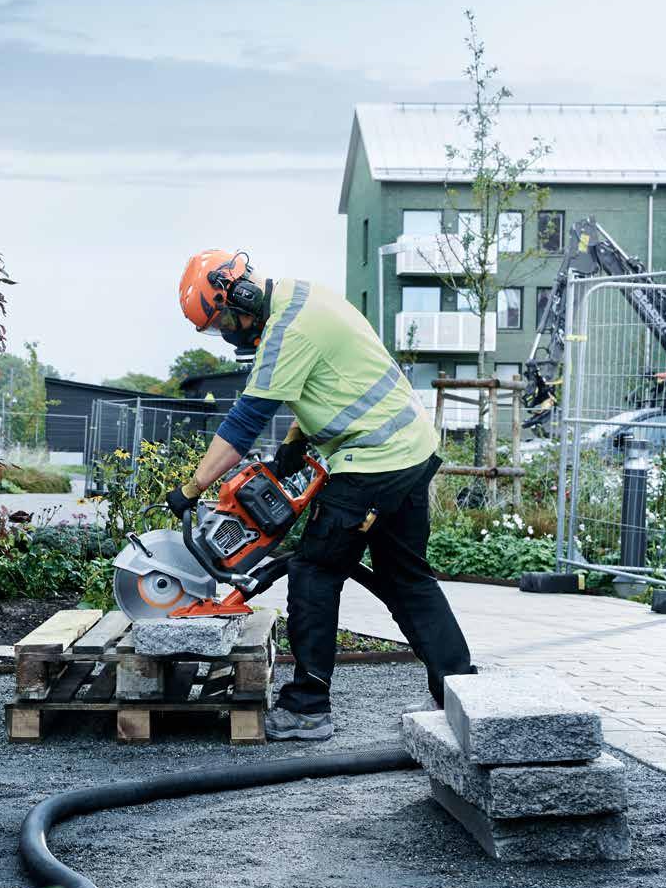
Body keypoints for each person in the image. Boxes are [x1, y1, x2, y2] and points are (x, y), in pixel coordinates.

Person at [166, 249, 475, 741]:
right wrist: (294, 443)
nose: (226, 332)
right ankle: (462, 695)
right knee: (406, 578)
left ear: (239, 294)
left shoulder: (286, 332)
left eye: (222, 318)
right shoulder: (301, 297)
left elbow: (243, 423)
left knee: (313, 570)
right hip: (412, 448)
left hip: (376, 460)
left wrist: (191, 488)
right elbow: (330, 384)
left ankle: (308, 708)